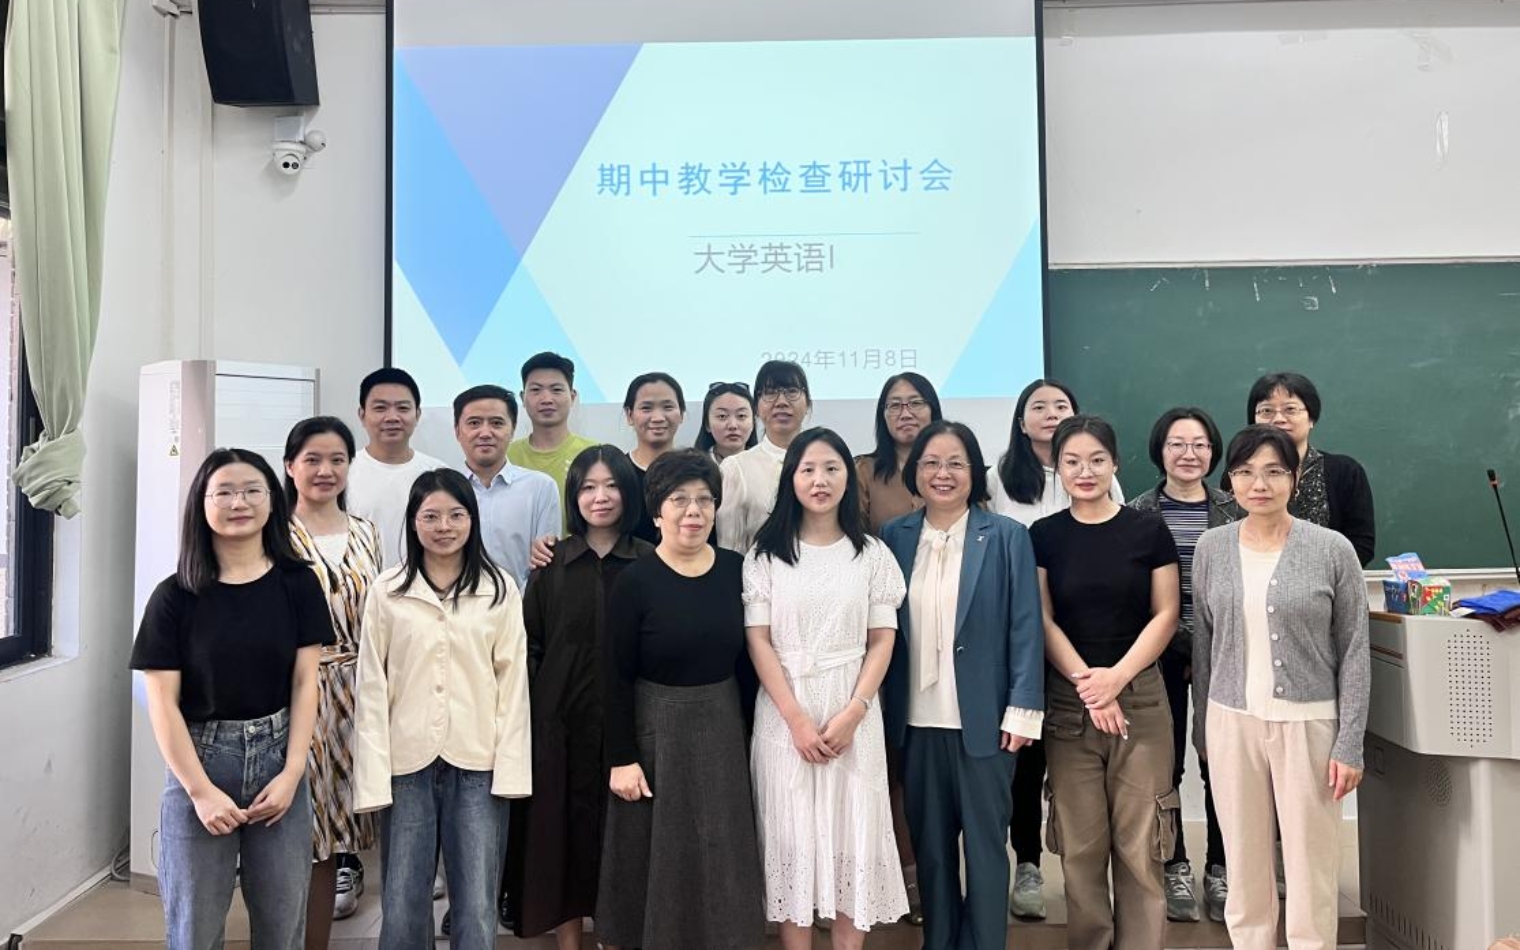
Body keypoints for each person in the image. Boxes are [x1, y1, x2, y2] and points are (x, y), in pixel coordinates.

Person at [131, 448, 333, 950]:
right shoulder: (174, 596)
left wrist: (292, 774)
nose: (238, 502)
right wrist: (200, 791)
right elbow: (162, 702)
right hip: (199, 762)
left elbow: (306, 683)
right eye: (223, 492)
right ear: (201, 504)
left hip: (279, 760)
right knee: (194, 930)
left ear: (272, 501)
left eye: (251, 490)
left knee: (283, 927)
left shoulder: (299, 583)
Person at [1192, 425, 1369, 950]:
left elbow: (1355, 649)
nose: (1259, 484)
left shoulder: (1332, 549)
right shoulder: (1211, 547)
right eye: (1245, 472)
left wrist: (1350, 741)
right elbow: (1204, 644)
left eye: (1273, 471)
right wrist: (1204, 729)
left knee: (1311, 863)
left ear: (1295, 477)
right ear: (1229, 480)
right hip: (1231, 721)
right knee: (1244, 862)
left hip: (1309, 724)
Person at [879, 421, 1045, 950]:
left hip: (985, 720)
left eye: (956, 463)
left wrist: (1023, 707)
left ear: (975, 472)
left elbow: (1025, 625)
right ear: (915, 471)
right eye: (931, 462)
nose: (943, 473)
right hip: (916, 720)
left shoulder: (1007, 536)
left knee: (986, 847)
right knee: (931, 849)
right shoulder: (894, 537)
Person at [352, 468, 532, 950]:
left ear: (472, 519)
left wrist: (511, 772)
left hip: (477, 763)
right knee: (403, 900)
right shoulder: (388, 590)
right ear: (413, 522)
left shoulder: (498, 589)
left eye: (456, 515)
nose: (444, 526)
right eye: (430, 516)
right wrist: (372, 775)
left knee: (476, 902)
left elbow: (513, 687)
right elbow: (371, 687)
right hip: (406, 763)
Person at [744, 428, 908, 948]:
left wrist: (855, 710)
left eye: (832, 468)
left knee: (852, 837)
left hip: (852, 708)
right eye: (808, 469)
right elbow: (758, 640)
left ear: (847, 478)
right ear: (791, 478)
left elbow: (882, 640)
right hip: (784, 712)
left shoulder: (873, 554)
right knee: (791, 839)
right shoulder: (765, 554)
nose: (820, 480)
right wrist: (795, 718)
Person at [597, 450, 765, 950]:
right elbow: (613, 675)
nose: (694, 511)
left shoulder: (737, 570)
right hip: (655, 734)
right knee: (658, 857)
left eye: (704, 500)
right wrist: (621, 757)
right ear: (656, 512)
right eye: (679, 500)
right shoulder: (634, 581)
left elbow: (749, 666)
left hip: (722, 728)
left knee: (721, 850)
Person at [1031, 414, 1181, 950]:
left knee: (1142, 848)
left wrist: (1116, 679)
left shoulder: (1148, 529)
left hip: (1139, 699)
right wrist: (1090, 688)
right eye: (1072, 461)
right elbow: (1042, 620)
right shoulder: (1044, 536)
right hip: (1070, 705)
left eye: (1097, 460)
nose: (1085, 471)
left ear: (1115, 463)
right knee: (1081, 849)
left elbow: (1166, 613)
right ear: (1057, 467)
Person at [507, 446, 653, 949]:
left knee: (624, 840)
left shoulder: (649, 562)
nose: (600, 497)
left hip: (630, 727)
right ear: (574, 496)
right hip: (559, 727)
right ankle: (568, 942)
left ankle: (616, 937)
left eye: (611, 485)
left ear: (629, 493)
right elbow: (530, 644)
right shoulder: (551, 564)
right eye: (588, 487)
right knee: (559, 837)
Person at [991, 378, 1123, 919]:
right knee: (1027, 759)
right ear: (1021, 421)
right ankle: (1027, 863)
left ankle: (1092, 875)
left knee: (1083, 764)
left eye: (1060, 405)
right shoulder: (998, 477)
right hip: (1020, 637)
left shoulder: (1099, 476)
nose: (1049, 413)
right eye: (1038, 406)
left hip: (1087, 641)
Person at [1126, 407, 1240, 924]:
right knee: (1165, 765)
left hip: (1227, 653)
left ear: (1213, 452)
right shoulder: (1137, 512)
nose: (1188, 454)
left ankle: (1221, 867)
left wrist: (1205, 648)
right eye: (1177, 444)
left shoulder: (1235, 510)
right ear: (1160, 450)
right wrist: (1179, 646)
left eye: (1199, 445)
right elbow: (1134, 594)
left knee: (1222, 762)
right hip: (1160, 656)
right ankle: (1174, 865)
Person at [282, 417, 384, 942]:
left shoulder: (367, 531)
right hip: (293, 693)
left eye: (337, 460)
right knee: (300, 834)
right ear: (290, 466)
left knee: (337, 838)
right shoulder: (272, 533)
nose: (325, 470)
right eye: (313, 460)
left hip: (360, 692)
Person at [1241, 372, 1376, 565]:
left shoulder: (1345, 472)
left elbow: (1361, 545)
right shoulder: (1239, 474)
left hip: (1326, 581)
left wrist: (1310, 575)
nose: (1278, 419)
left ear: (1311, 417)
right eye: (1266, 411)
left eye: (1290, 409)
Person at [454, 384, 561, 591]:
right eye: (474, 423)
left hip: (521, 606)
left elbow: (545, 564)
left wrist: (517, 604)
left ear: (512, 430)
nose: (485, 433)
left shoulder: (540, 487)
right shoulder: (442, 490)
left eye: (496, 423)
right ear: (457, 431)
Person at [347, 368, 447, 568]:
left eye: (402, 408)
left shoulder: (438, 473)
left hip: (424, 583)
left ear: (417, 415)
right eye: (380, 408)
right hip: (362, 584)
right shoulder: (344, 472)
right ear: (362, 415)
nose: (392, 417)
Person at [718, 360, 812, 554]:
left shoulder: (827, 464)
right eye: (770, 393)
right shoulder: (737, 468)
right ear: (756, 407)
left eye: (792, 391)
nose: (781, 402)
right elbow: (730, 550)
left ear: (808, 403)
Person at [507, 352, 598, 531]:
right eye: (536, 390)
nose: (546, 399)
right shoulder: (506, 457)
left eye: (556, 390)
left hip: (580, 549)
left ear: (572, 397)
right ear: (522, 398)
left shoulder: (595, 454)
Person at [855, 372, 941, 536]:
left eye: (915, 403)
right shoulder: (864, 471)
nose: (906, 414)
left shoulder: (955, 468)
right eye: (895, 405)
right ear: (883, 415)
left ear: (933, 410)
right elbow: (855, 537)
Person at [622, 371, 688, 543]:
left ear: (681, 413)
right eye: (646, 408)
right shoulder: (617, 472)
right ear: (629, 415)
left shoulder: (696, 473)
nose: (658, 418)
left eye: (668, 407)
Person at [696, 380, 758, 462]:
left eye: (741, 416)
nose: (733, 425)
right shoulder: (691, 465)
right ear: (707, 424)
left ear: (753, 422)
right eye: (722, 416)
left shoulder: (767, 463)